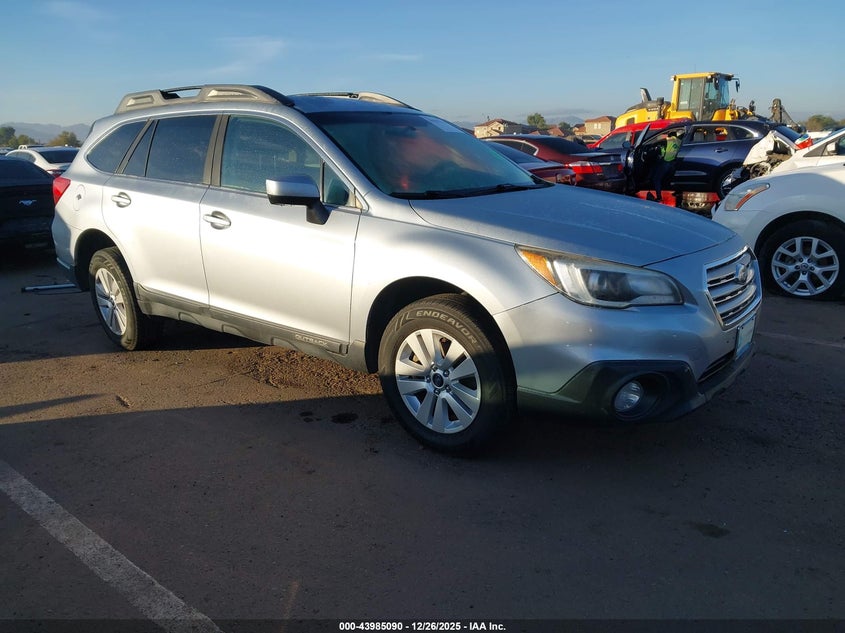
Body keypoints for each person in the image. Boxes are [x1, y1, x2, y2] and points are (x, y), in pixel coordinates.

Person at [649, 131, 681, 201]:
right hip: (673, 162)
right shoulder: (679, 141)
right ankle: (678, 192)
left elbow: (660, 145)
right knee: (672, 178)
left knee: (656, 179)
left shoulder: (668, 140)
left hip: (666, 162)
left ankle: (659, 197)